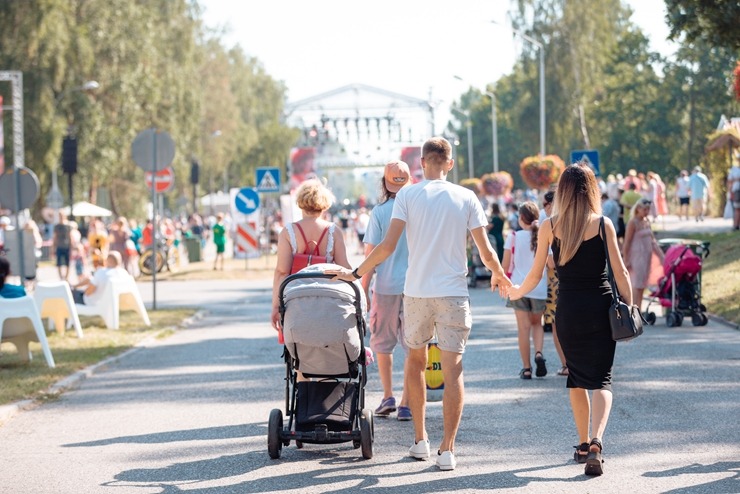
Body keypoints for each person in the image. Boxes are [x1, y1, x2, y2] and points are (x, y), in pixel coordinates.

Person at [326, 137, 511, 471]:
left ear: (422, 163)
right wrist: (499, 275)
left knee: (415, 361)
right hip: (454, 292)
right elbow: (485, 250)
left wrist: (356, 274)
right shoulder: (466, 197)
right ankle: (448, 450)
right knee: (453, 369)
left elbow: (385, 246)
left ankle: (421, 441)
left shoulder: (408, 195)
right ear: (450, 164)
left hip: (417, 292)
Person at [509, 163, 633, 477]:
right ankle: (596, 443)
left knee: (576, 378)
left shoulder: (550, 225)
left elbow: (536, 274)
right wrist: (630, 307)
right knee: (602, 379)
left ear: (562, 191)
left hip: (569, 309)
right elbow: (621, 273)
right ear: (592, 190)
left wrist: (514, 292)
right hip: (601, 308)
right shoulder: (604, 224)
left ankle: (581, 443)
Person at [361, 160, 412, 420]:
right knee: (413, 344)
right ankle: (406, 403)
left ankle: (388, 395)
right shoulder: (417, 209)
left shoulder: (380, 212)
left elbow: (370, 255)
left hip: (385, 286)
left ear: (385, 183)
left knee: (382, 343)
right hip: (416, 287)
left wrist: (363, 288)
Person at [270, 179, 351, 333]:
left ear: (300, 202)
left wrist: (276, 306)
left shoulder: (288, 232)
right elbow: (344, 269)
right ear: (325, 203)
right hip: (327, 298)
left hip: (296, 297)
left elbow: (282, 272)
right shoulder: (334, 231)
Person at [503, 201, 548, 379]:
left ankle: (527, 368)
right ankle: (538, 353)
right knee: (538, 324)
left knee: (523, 328)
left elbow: (505, 265)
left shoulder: (513, 236)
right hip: (539, 288)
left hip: (517, 287)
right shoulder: (544, 235)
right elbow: (550, 263)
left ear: (521, 218)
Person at [540, 191, 568, 376]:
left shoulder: (551, 225)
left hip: (556, 282)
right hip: (573, 280)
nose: (543, 208)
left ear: (552, 205)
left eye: (544, 204)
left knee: (559, 325)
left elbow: (550, 262)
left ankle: (566, 364)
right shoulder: (571, 223)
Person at [622, 198, 665, 306]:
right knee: (637, 284)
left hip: (646, 256)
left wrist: (661, 256)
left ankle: (639, 310)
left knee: (642, 285)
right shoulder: (633, 222)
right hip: (636, 257)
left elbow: (652, 241)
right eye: (645, 209)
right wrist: (626, 259)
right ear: (638, 208)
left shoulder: (646, 221)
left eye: (648, 210)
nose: (646, 212)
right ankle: (634, 310)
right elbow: (626, 243)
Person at [52, 212, 72, 280]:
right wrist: (53, 247)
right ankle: (61, 277)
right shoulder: (57, 226)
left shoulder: (68, 225)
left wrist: (71, 246)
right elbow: (55, 237)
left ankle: (66, 277)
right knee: (59, 263)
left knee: (67, 263)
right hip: (59, 246)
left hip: (66, 246)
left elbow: (70, 236)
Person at [726, 162, 740, 230]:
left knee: (737, 209)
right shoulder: (735, 170)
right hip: (736, 192)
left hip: (736, 191)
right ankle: (735, 225)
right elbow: (730, 182)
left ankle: (736, 225)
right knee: (736, 209)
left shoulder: (735, 171)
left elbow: (730, 181)